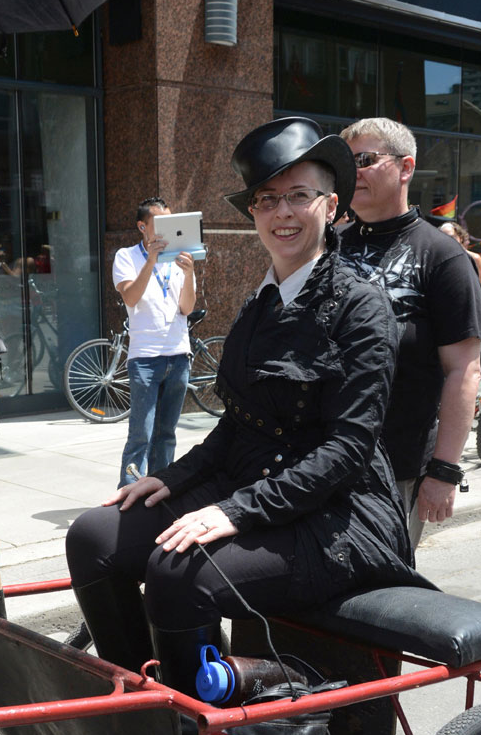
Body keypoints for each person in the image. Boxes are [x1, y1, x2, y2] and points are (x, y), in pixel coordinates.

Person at [65, 116, 429, 696]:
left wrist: (237, 512)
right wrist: (169, 478)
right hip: (249, 481)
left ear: (331, 207)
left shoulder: (362, 307)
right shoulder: (258, 303)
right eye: (267, 200)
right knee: (94, 537)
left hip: (334, 512)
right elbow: (236, 425)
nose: (282, 213)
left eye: (298, 197)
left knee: (177, 573)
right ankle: (142, 702)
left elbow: (349, 449)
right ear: (253, 213)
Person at [337, 118, 481, 546]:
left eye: (366, 159)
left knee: (378, 595)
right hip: (318, 456)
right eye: (347, 162)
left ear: (405, 168)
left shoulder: (442, 256)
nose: (354, 171)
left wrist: (443, 471)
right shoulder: (329, 243)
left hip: (396, 466)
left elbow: (464, 370)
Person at [113, 197, 197, 487]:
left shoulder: (179, 258)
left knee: (167, 434)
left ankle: (161, 490)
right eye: (160, 224)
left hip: (178, 354)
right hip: (145, 358)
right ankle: (127, 494)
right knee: (141, 434)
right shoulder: (127, 256)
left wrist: (189, 274)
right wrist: (150, 260)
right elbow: (130, 297)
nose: (167, 231)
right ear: (143, 227)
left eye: (171, 223)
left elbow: (186, 308)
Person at [439, 221, 481, 331]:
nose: (448, 240)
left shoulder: (474, 259)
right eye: (443, 236)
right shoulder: (437, 259)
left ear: (460, 238)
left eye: (452, 236)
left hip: (469, 316)